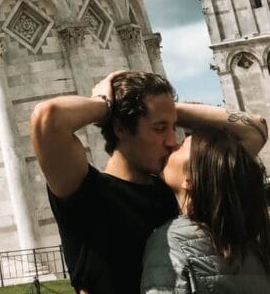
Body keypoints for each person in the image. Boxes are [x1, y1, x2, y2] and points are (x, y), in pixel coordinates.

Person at [30, 70, 267, 294]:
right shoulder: (89, 192)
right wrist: (107, 104)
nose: (171, 140)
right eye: (159, 128)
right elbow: (48, 118)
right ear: (122, 128)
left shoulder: (175, 187)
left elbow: (254, 130)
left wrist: (165, 110)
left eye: (173, 127)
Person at [141, 126, 270, 293]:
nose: (171, 144)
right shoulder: (252, 242)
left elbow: (254, 128)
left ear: (190, 179)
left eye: (180, 146)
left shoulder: (172, 240)